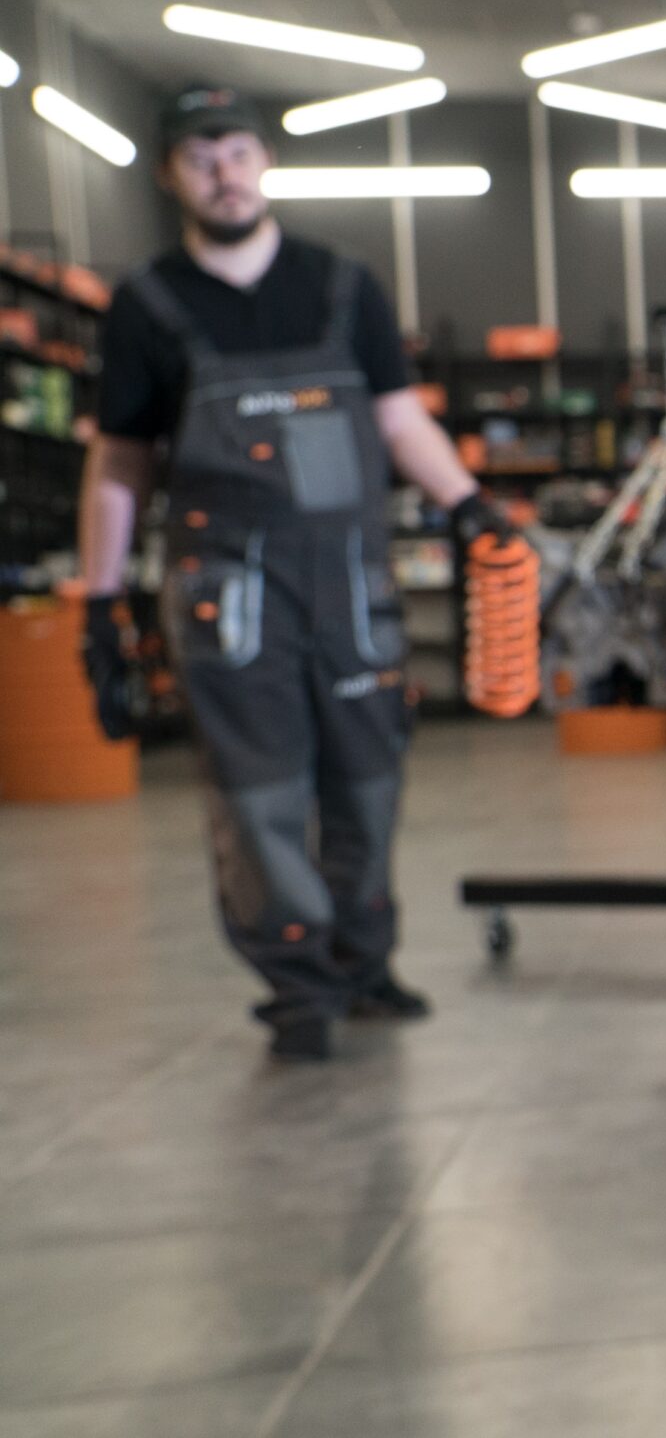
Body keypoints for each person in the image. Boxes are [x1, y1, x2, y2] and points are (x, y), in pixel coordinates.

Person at [76, 86, 510, 1062]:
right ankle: (299, 983)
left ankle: (363, 962)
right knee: (260, 792)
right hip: (226, 593)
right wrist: (98, 601)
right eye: (199, 156)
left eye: (236, 150)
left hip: (350, 583)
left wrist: (471, 505)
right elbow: (120, 462)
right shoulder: (147, 307)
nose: (222, 171)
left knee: (368, 781)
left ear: (264, 160)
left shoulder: (343, 286)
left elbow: (401, 421)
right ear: (169, 175)